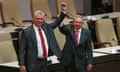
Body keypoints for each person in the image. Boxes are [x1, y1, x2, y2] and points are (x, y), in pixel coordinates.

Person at [18, 2, 67, 72]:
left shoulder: (46, 27)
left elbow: (56, 23)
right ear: (33, 19)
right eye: (38, 19)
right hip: (33, 63)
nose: (40, 21)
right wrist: (22, 64)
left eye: (41, 19)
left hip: (44, 61)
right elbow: (22, 50)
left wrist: (63, 12)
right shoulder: (27, 32)